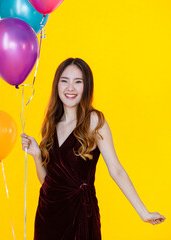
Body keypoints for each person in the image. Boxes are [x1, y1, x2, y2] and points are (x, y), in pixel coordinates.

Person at [21, 58, 166, 239]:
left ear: (86, 87)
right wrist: (36, 155)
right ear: (57, 85)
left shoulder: (94, 121)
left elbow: (116, 170)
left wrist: (144, 212)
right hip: (47, 216)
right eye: (64, 81)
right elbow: (48, 183)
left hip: (80, 214)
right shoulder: (51, 124)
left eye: (78, 82)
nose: (70, 88)